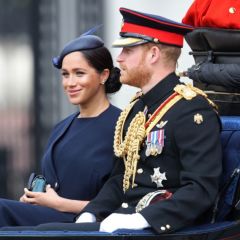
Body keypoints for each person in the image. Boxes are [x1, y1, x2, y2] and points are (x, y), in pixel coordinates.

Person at [15, 7, 222, 234]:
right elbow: (120, 179)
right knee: (26, 231)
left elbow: (200, 189)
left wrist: (144, 219)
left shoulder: (191, 110)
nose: (119, 59)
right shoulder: (137, 109)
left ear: (153, 54)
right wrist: (90, 213)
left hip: (159, 229)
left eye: (128, 50)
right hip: (121, 222)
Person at [0, 31, 122, 227]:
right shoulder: (62, 127)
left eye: (79, 73)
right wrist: (35, 199)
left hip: (89, 225)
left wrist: (59, 203)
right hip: (50, 222)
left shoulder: (122, 126)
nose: (70, 83)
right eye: (65, 74)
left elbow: (124, 203)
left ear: (104, 75)